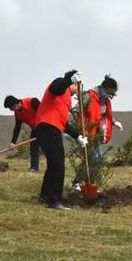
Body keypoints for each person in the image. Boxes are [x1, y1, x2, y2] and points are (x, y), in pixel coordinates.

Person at [34, 69, 88, 211]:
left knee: (54, 164)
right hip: (47, 127)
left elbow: (64, 123)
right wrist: (69, 80)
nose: (79, 89)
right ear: (74, 83)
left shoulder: (66, 100)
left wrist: (78, 136)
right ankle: (55, 201)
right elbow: (55, 88)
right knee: (58, 164)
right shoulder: (59, 85)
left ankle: (45, 196)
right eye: (78, 85)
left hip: (53, 128)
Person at [69, 75, 124, 190]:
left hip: (96, 134)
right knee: (93, 158)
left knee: (96, 159)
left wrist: (114, 122)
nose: (110, 96)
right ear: (104, 88)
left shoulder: (105, 101)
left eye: (112, 95)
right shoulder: (89, 96)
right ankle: (79, 183)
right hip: (86, 133)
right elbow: (75, 110)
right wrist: (75, 128)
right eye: (109, 93)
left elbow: (104, 115)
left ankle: (88, 184)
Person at [4, 95, 41, 173]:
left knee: (49, 147)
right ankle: (34, 168)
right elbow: (17, 127)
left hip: (46, 126)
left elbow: (44, 113)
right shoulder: (17, 113)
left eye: (11, 108)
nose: (11, 110)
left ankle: (55, 165)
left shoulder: (32, 102)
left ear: (15, 104)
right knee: (33, 146)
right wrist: (13, 142)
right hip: (35, 129)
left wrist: (44, 128)